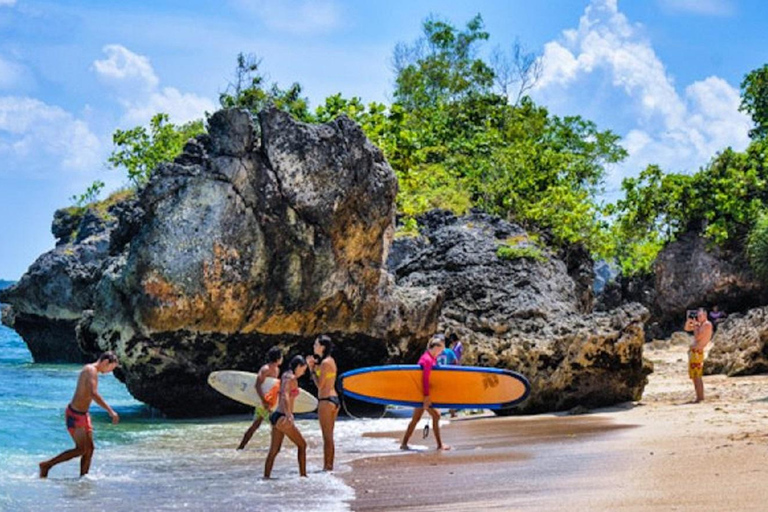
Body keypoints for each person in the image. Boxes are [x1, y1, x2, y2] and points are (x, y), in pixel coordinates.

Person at [39, 351, 120, 478]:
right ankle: (47, 465)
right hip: (74, 415)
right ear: (105, 362)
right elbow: (94, 394)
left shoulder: (93, 371)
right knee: (81, 449)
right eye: (111, 368)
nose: (110, 371)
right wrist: (110, 411)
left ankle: (83, 478)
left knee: (90, 449)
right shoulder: (90, 370)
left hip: (83, 415)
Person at [400, 335, 451, 451]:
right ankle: (439, 445)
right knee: (436, 415)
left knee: (416, 419)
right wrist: (426, 396)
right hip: (422, 394)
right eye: (442, 349)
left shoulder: (431, 358)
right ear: (436, 347)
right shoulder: (427, 359)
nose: (442, 352)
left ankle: (404, 444)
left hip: (420, 393)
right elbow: (425, 379)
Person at [264, 355, 309, 479]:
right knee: (302, 445)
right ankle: (303, 477)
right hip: (283, 416)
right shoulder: (293, 378)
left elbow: (283, 393)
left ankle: (266, 478)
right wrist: (289, 414)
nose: (303, 372)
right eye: (303, 369)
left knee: (274, 450)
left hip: (276, 416)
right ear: (298, 366)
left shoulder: (285, 375)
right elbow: (285, 395)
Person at [237, 346, 283, 450]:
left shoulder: (277, 370)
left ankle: (241, 448)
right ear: (278, 358)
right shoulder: (265, 369)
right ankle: (275, 448)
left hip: (271, 402)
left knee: (264, 426)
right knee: (270, 426)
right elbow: (257, 385)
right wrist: (263, 401)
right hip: (263, 402)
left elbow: (273, 387)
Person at [307, 334, 339, 471]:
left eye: (316, 344)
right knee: (329, 436)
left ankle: (327, 467)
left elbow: (320, 385)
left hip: (325, 400)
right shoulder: (329, 361)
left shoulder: (325, 363)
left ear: (322, 347)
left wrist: (312, 370)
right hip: (334, 399)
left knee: (327, 437)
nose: (314, 347)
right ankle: (329, 466)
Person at [684, 308, 713, 403]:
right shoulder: (700, 325)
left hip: (698, 352)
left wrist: (696, 326)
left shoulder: (706, 325)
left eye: (701, 316)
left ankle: (700, 397)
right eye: (698, 316)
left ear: (705, 315)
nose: (699, 318)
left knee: (697, 375)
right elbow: (687, 328)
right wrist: (689, 321)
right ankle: (698, 396)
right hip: (694, 352)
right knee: (694, 376)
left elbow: (697, 337)